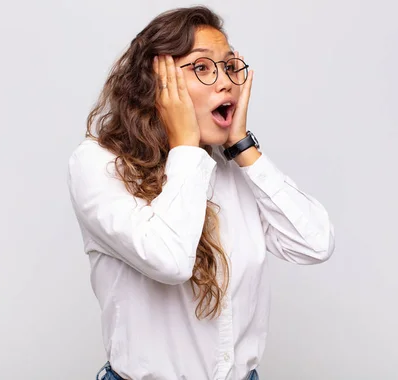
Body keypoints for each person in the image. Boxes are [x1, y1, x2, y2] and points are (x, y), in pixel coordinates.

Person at [67, 5, 335, 380]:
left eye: (229, 67)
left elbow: (314, 244)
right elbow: (170, 261)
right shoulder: (98, 165)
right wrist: (186, 146)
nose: (225, 82)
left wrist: (242, 145)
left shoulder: (233, 168)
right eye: (203, 67)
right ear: (154, 85)